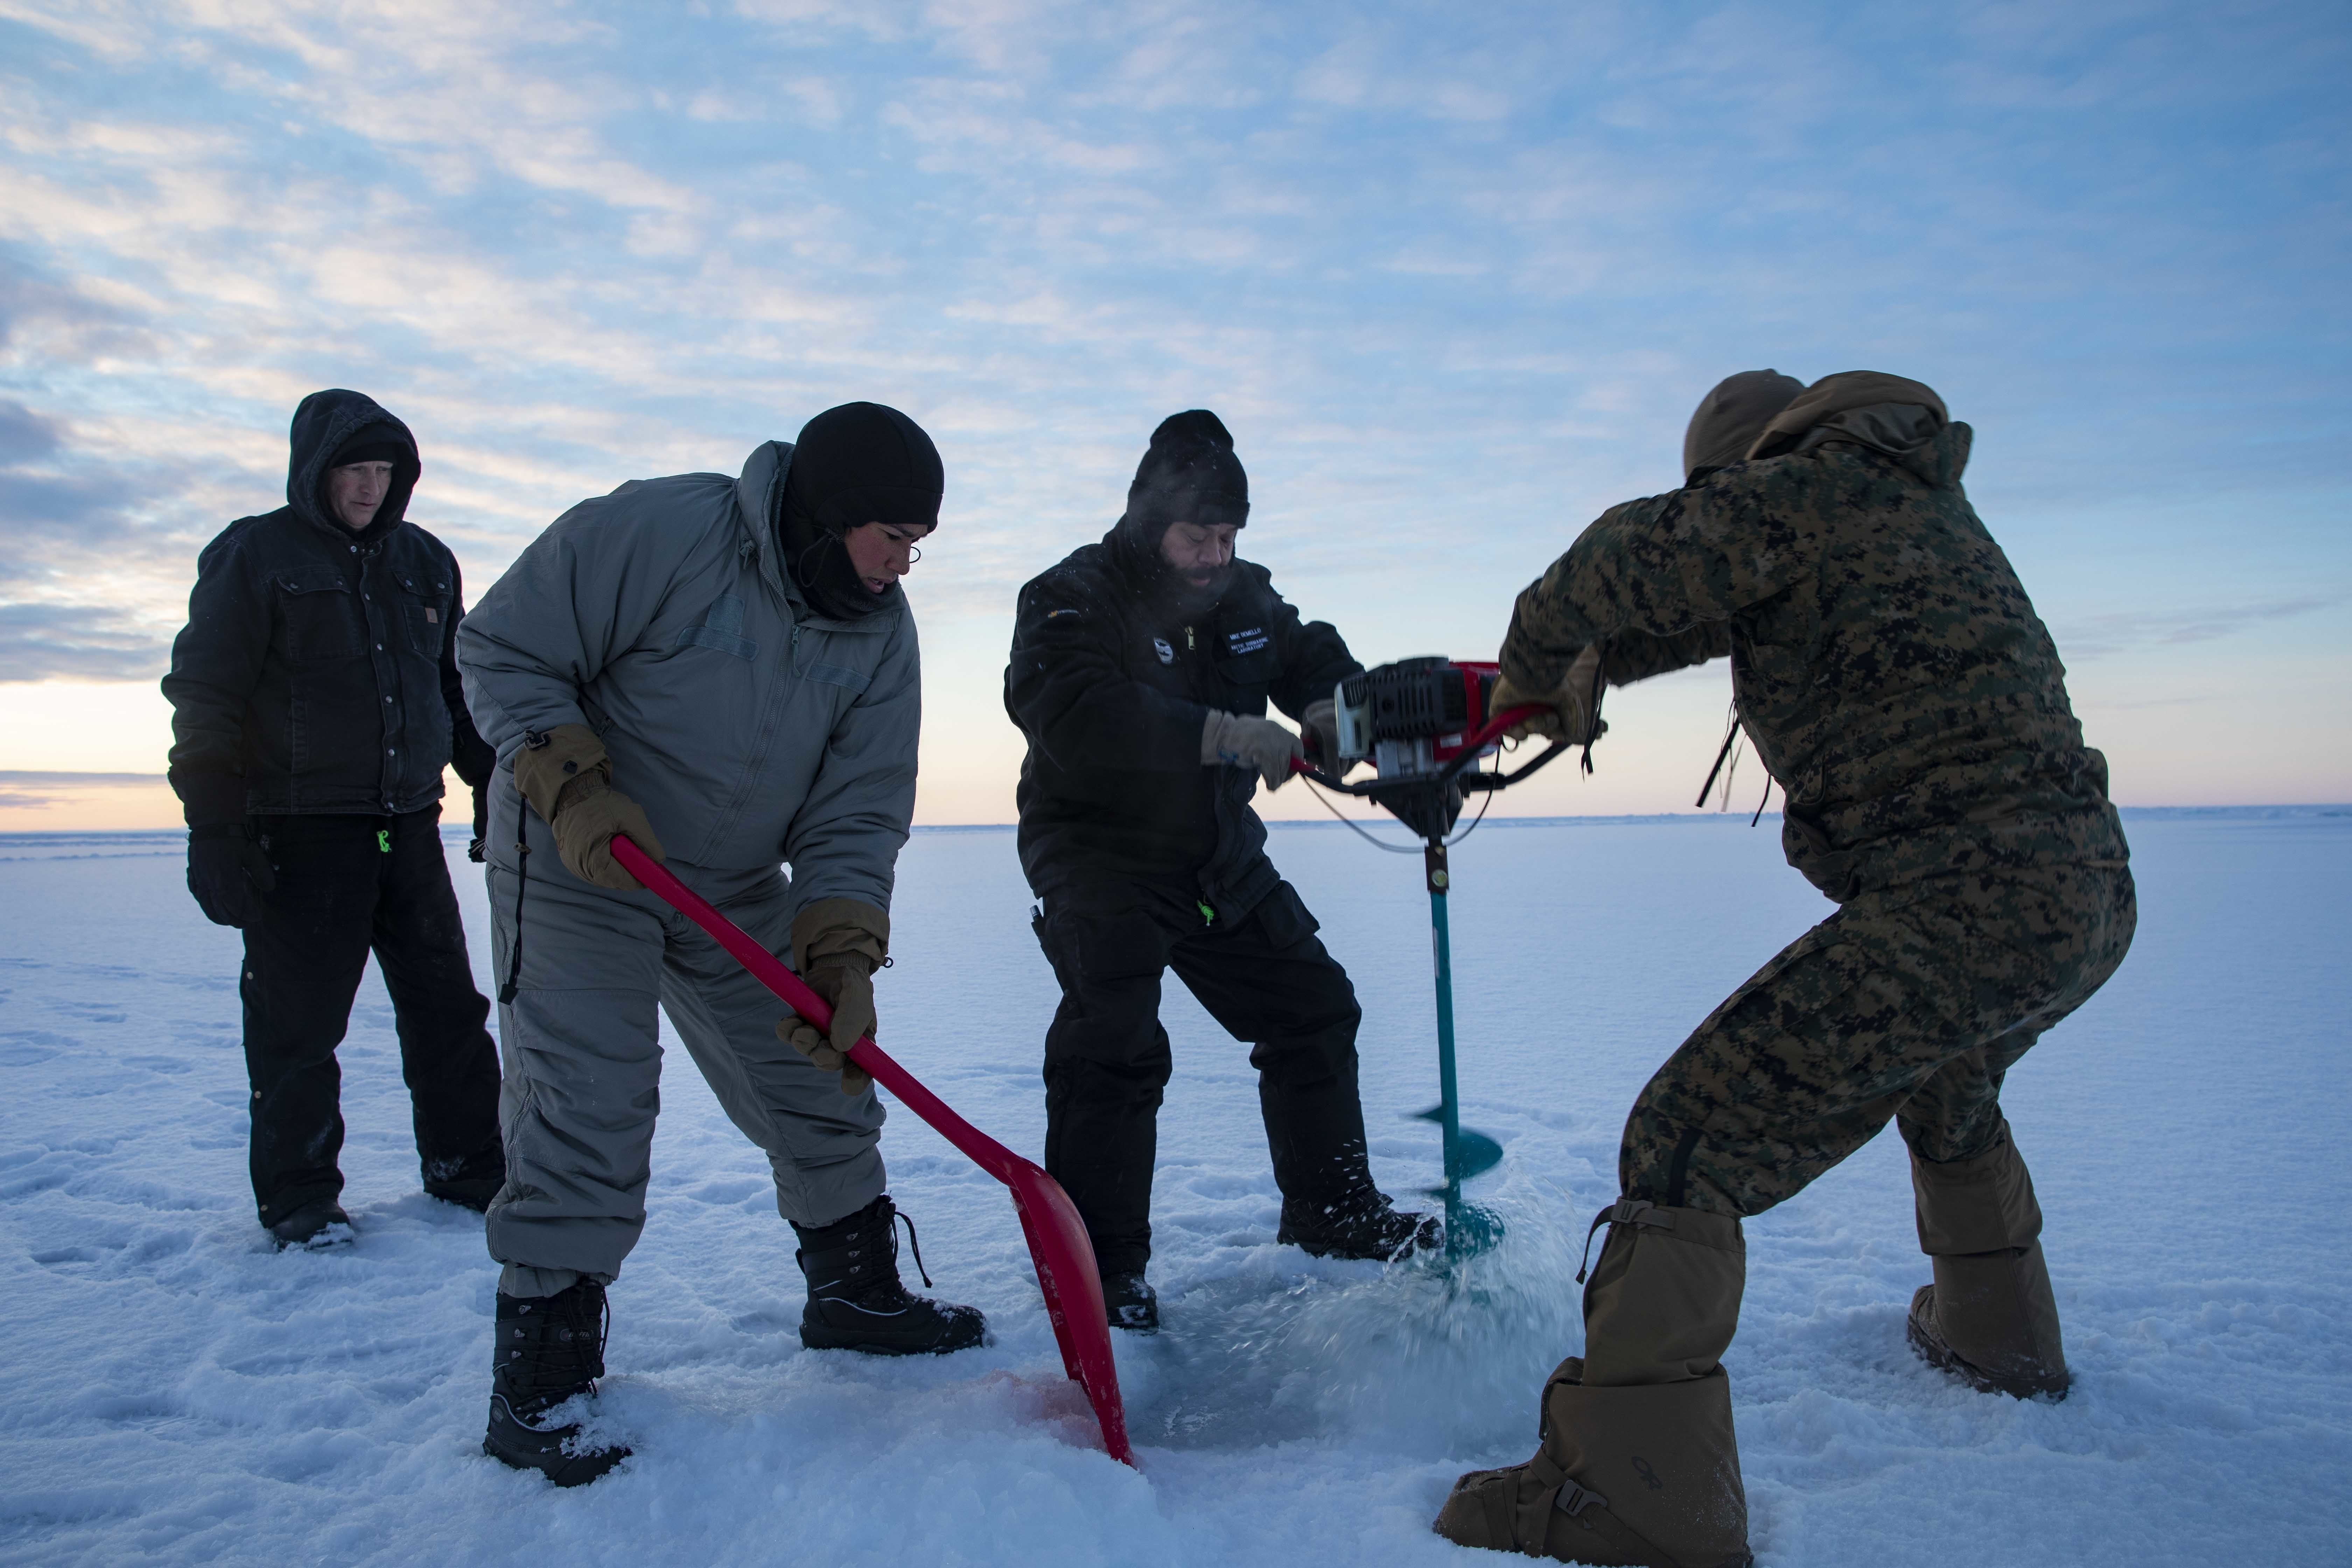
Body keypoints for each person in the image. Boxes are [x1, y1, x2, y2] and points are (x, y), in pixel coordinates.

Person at [1430, 371, 2135, 1564]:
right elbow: (1691, 613)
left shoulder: (1804, 490)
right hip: (2082, 891)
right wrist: (1571, 693)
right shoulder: (1892, 499)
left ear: (1734, 473)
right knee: (1947, 1082)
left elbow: (1609, 569)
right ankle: (1998, 1336)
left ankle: (1633, 1498)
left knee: (1686, 1139)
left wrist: (1538, 656)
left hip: (1966, 899)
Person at [455, 401, 984, 1487]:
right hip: (578, 854)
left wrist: (839, 948)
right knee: (589, 1100)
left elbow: (858, 808)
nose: (900, 568)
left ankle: (853, 1294)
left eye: (916, 548)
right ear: (828, 518)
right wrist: (572, 781)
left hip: (733, 879)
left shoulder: (881, 632)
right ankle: (541, 1385)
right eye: (890, 541)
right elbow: (502, 645)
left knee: (824, 1070)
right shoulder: (667, 533)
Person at [1003, 409, 1437, 1335]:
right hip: (1097, 850)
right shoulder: (1068, 596)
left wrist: (1335, 709)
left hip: (1210, 851)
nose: (1213, 554)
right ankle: (1102, 1272)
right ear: (1146, 519)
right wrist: (1222, 735)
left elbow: (1304, 648)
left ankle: (1333, 1212)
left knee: (1314, 1009)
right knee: (1114, 1038)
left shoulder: (1242, 598)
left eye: (1229, 536)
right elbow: (1079, 717)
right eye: (1197, 534)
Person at [162, 389, 505, 1251]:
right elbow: (208, 692)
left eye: (386, 471)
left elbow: (454, 689)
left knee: (448, 1013)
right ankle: (301, 1197)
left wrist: (492, 781)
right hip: (302, 830)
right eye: (355, 468)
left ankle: (469, 1166)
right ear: (315, 470)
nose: (370, 487)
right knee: (298, 1028)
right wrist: (215, 824)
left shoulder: (426, 561)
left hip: (407, 826)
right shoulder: (256, 554)